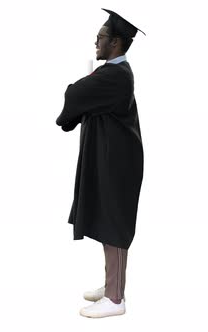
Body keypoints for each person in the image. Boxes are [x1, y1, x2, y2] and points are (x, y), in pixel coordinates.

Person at [55, 8, 145, 318]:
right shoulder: (113, 74)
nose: (96, 42)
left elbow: (75, 95)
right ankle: (110, 286)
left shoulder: (116, 76)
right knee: (107, 220)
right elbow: (83, 98)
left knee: (115, 225)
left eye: (101, 38)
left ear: (116, 43)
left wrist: (75, 90)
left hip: (119, 164)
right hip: (111, 159)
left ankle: (115, 299)